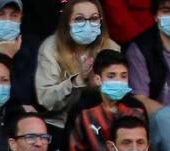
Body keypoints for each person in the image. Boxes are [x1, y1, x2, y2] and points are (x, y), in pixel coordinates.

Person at [61, 48, 148, 151]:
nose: (119, 81)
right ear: (98, 79)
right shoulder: (83, 111)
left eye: (123, 76)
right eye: (111, 76)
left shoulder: (137, 109)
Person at [35, 0, 121, 129]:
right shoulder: (51, 47)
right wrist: (78, 80)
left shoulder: (112, 48)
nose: (87, 25)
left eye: (94, 18)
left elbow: (119, 95)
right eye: (79, 19)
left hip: (104, 123)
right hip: (60, 125)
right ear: (67, 22)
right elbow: (46, 100)